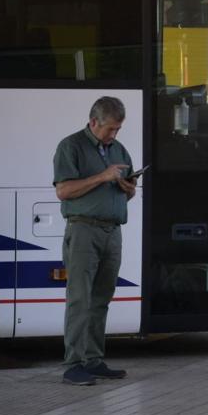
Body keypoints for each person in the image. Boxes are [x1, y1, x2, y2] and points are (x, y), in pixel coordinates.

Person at [53, 96, 138, 386]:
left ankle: (93, 359)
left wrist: (128, 188)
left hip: (112, 231)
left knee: (102, 297)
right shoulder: (71, 146)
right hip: (83, 231)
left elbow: (127, 193)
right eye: (110, 129)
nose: (114, 135)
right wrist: (102, 176)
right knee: (80, 298)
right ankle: (73, 363)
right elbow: (63, 190)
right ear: (93, 122)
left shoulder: (120, 150)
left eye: (118, 129)